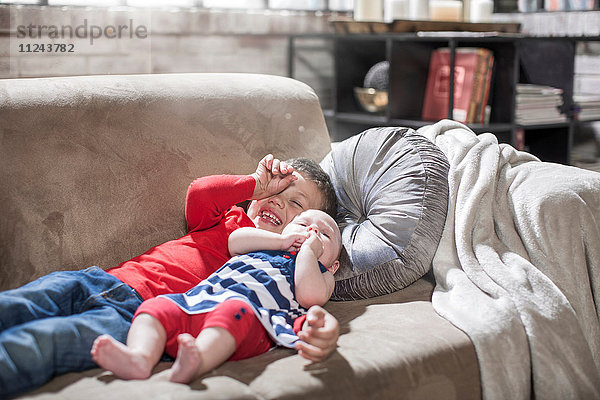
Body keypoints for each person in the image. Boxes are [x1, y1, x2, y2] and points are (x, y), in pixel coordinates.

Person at [0, 155, 340, 398]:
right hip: (101, 279)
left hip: (136, 319)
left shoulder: (285, 271)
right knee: (17, 304)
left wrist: (322, 330)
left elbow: (305, 307)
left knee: (42, 343)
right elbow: (200, 193)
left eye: (296, 202)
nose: (278, 202)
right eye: (274, 193)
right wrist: (255, 184)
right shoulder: (230, 220)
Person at [91, 208, 341, 383]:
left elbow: (310, 296)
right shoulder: (269, 243)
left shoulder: (322, 273)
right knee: (157, 307)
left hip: (251, 316)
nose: (312, 230)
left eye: (325, 234)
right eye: (302, 223)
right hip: (198, 302)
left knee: (232, 312)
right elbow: (235, 241)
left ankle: (197, 361)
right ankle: (140, 358)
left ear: (334, 265)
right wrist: (280, 241)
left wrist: (309, 251)